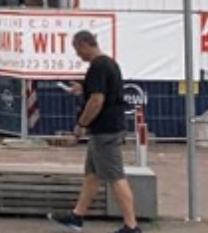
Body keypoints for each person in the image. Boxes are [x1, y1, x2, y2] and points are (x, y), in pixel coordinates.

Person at [50, 31, 141, 233]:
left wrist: (82, 123)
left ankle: (131, 225)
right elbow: (103, 92)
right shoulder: (109, 64)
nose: (78, 55)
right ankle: (76, 216)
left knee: (116, 176)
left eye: (77, 50)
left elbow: (97, 99)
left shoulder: (98, 67)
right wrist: (83, 89)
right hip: (107, 128)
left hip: (105, 130)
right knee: (92, 174)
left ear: (84, 45)